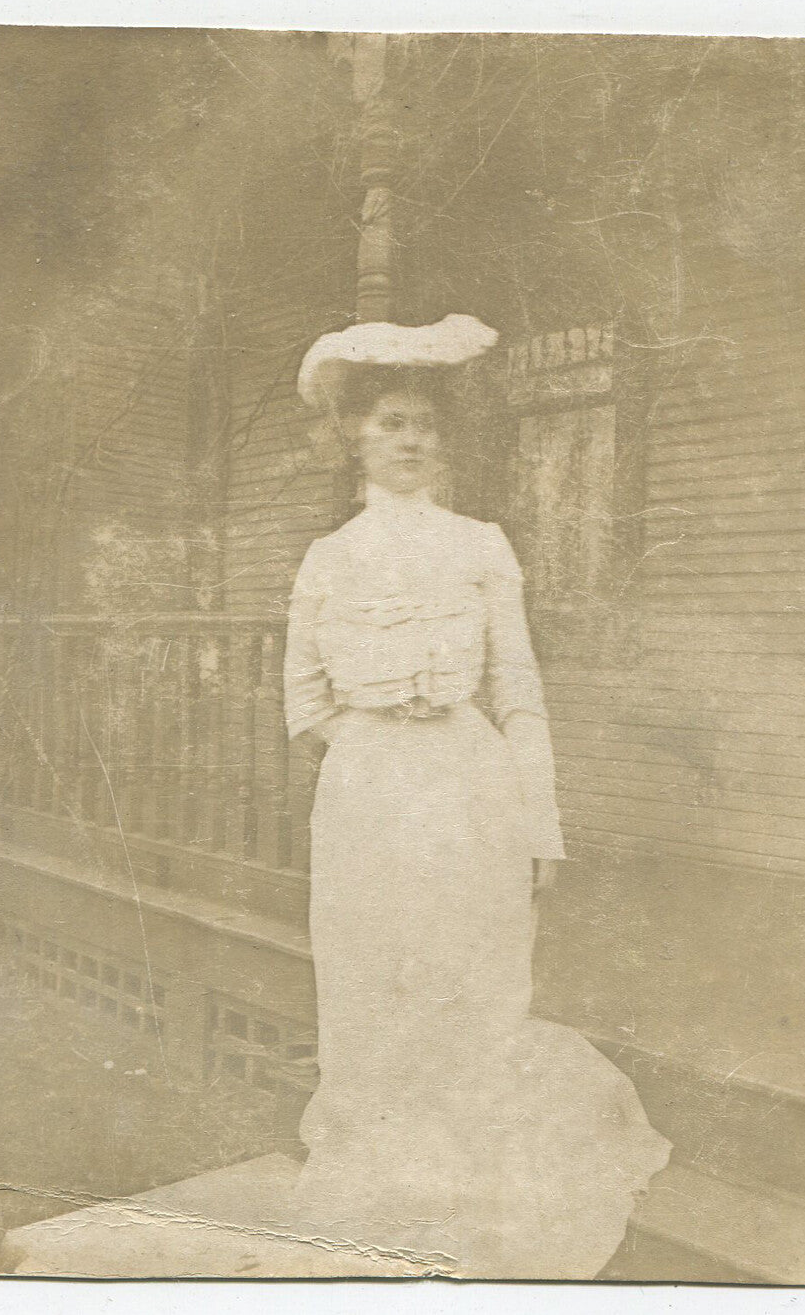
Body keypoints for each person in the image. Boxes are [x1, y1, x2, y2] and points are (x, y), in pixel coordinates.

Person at [282, 315, 670, 1278]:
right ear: (355, 435)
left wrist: (540, 823)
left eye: (424, 423)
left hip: (472, 787)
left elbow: (519, 691)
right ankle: (386, 1182)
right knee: (375, 977)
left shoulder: (481, 545)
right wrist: (378, 754)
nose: (410, 439)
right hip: (369, 793)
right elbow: (304, 701)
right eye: (391, 422)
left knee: (471, 978)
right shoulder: (329, 558)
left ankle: (466, 1181)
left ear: (443, 439)